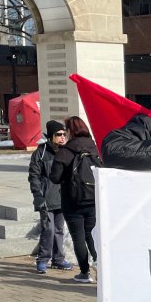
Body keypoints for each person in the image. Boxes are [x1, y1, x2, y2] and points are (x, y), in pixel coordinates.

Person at [48, 116, 101, 284]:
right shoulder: (96, 147)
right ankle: (100, 263)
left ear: (71, 131)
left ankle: (85, 273)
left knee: (78, 237)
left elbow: (55, 178)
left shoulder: (65, 152)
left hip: (72, 201)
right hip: (94, 198)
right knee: (93, 234)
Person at [28, 120, 72, 274]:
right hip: (46, 199)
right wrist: (38, 196)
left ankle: (58, 260)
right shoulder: (40, 153)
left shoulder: (66, 151)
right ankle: (42, 259)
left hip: (62, 198)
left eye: (64, 134)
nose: (62, 137)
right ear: (51, 136)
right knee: (49, 230)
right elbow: (34, 176)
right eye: (58, 134)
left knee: (59, 230)